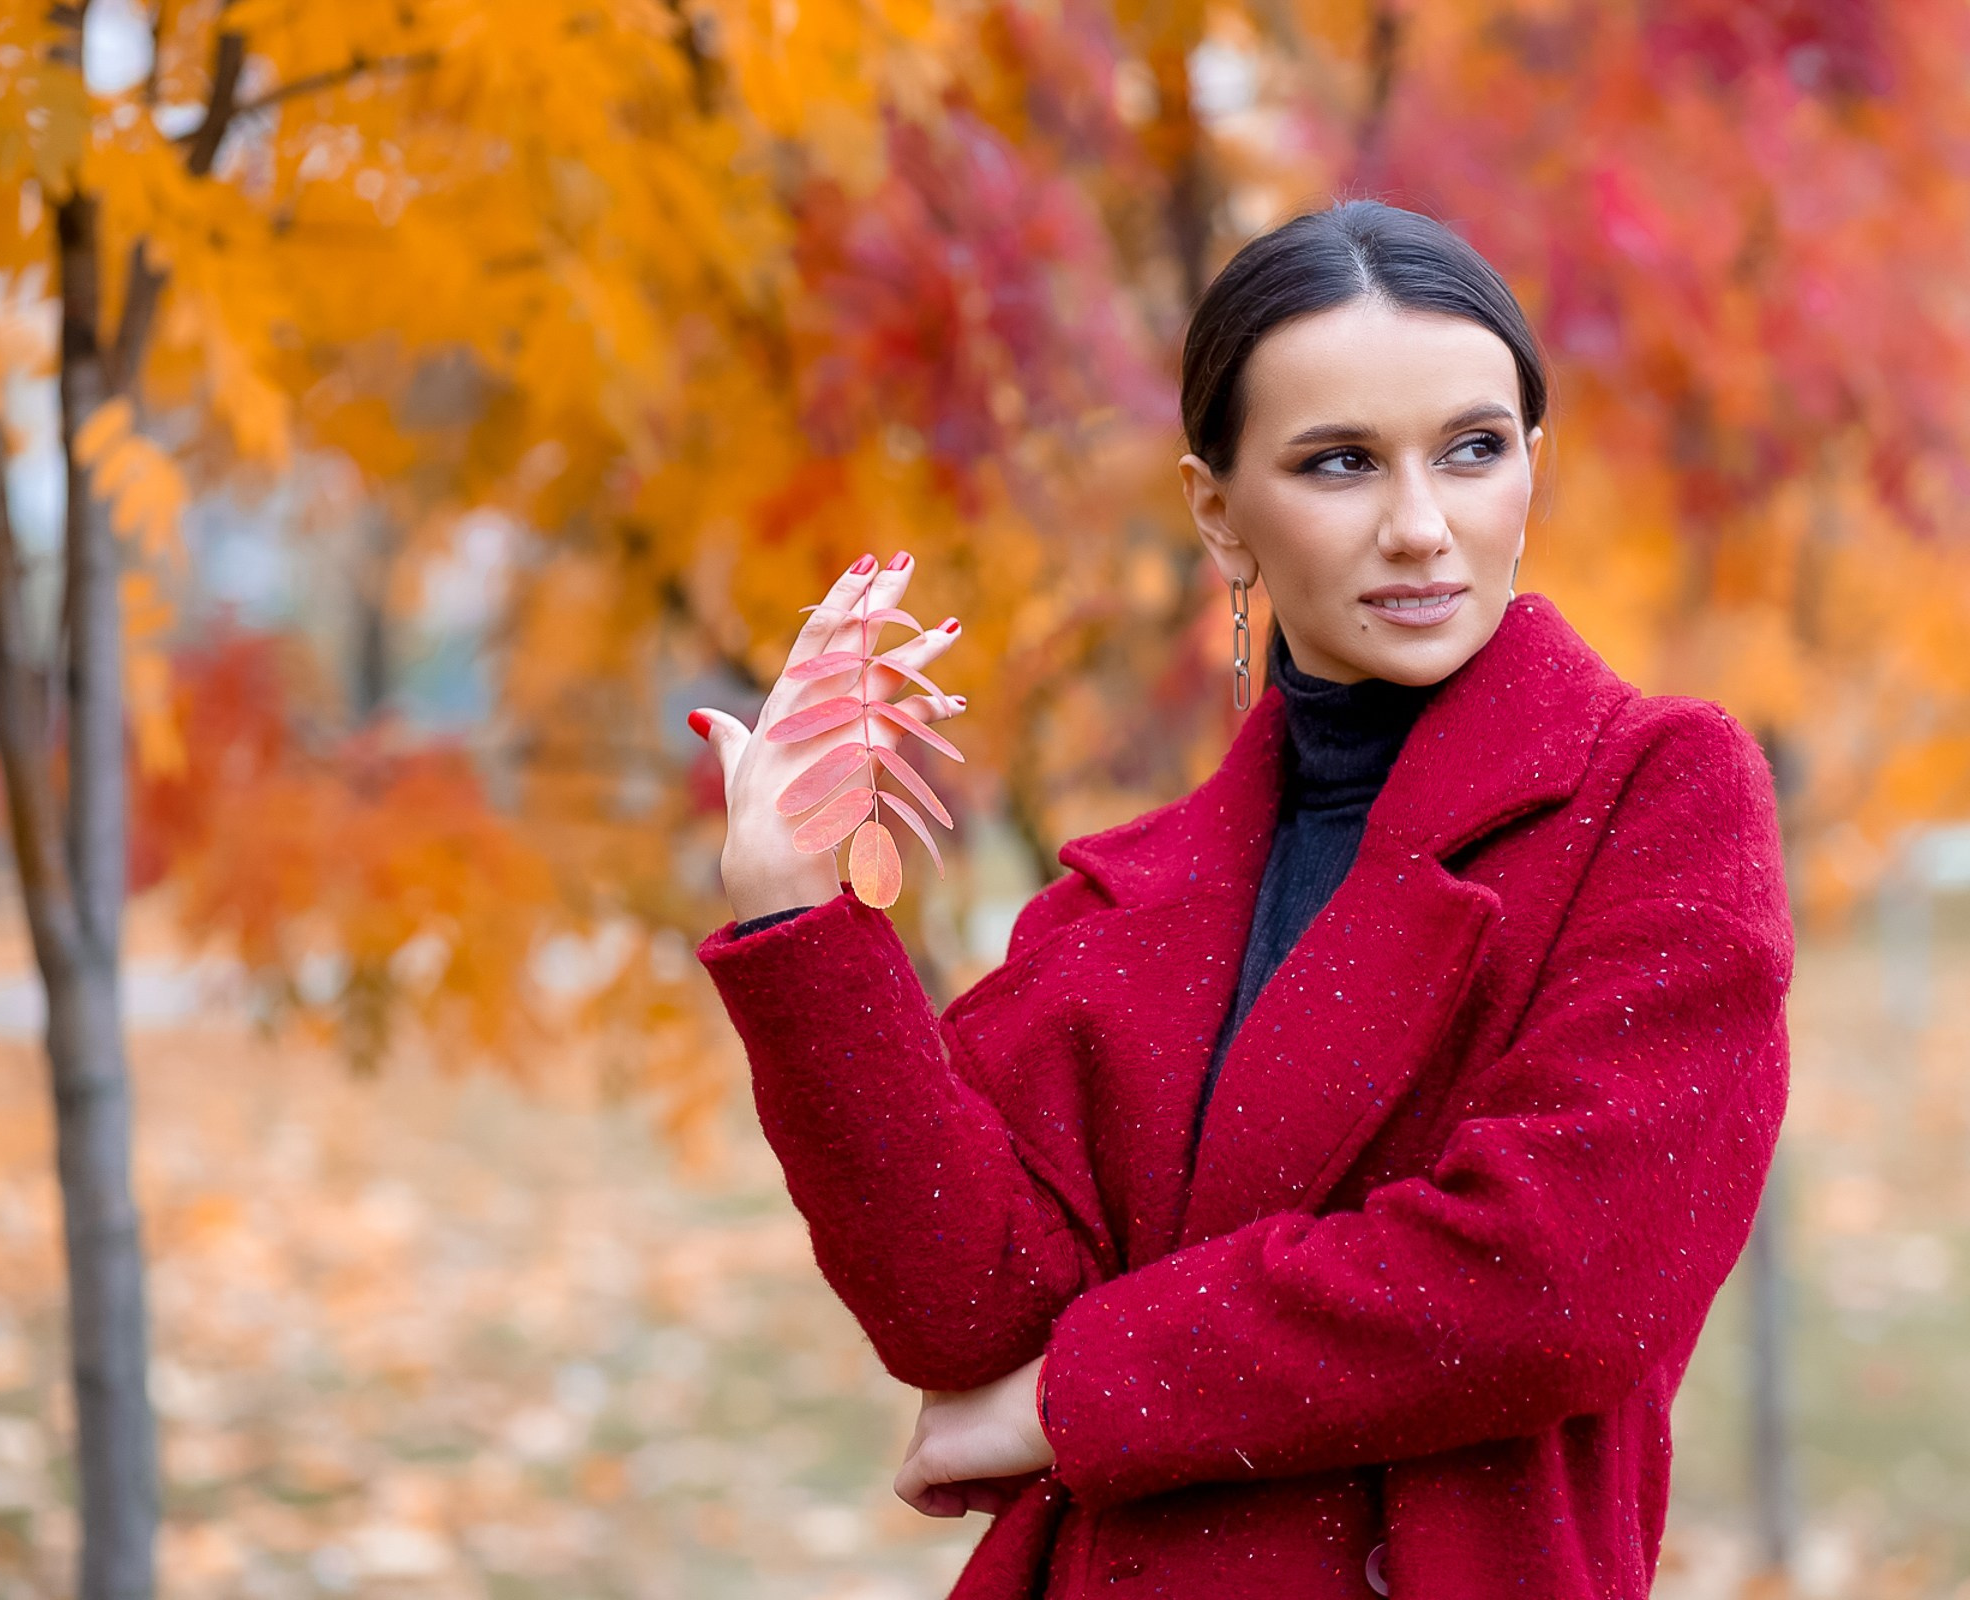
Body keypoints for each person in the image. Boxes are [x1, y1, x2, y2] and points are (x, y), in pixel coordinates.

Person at [687, 199, 1792, 1600]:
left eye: (1473, 449)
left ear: (1533, 464)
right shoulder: (1122, 892)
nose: (1420, 527)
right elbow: (966, 1316)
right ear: (1220, 514)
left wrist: (1072, 1400)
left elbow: (1559, 1280)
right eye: (1340, 463)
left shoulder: (1653, 794)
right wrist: (796, 921)